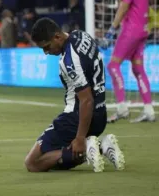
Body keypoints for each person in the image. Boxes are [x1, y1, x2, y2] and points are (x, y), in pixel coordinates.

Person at [25, 18, 125, 173]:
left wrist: (79, 139)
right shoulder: (81, 35)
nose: (46, 52)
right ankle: (101, 147)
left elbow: (86, 101)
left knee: (33, 162)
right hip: (100, 115)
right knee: (58, 159)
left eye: (46, 47)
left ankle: (90, 148)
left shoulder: (70, 60)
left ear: (57, 37)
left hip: (77, 118)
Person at [103, 0, 155, 123]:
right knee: (138, 68)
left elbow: (124, 6)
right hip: (143, 28)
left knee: (113, 65)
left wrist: (112, 28)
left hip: (131, 29)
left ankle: (122, 108)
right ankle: (149, 110)